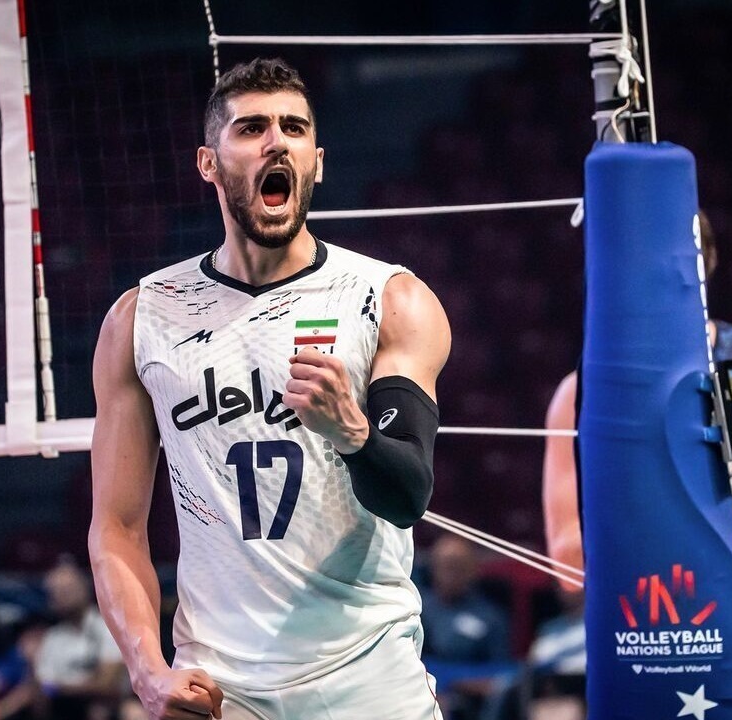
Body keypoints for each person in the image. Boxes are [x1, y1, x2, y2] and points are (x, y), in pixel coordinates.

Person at [88, 57, 451, 720]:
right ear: (208, 163)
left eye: (294, 127)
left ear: (317, 161)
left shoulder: (389, 299)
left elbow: (408, 498)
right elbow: (116, 526)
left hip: (367, 676)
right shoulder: (142, 318)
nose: (276, 142)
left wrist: (353, 432)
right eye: (252, 128)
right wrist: (146, 669)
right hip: (221, 686)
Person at [541, 211, 732, 719]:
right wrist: (689, 538)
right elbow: (568, 567)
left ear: (701, 266)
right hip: (643, 654)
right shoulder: (581, 393)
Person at [417, 534, 513, 720]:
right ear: (433, 568)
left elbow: (502, 673)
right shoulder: (416, 608)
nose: (451, 573)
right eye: (445, 565)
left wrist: (459, 683)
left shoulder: (490, 616)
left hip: (470, 701)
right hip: (420, 690)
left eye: (458, 566)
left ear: (473, 569)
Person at [31, 558, 129, 719]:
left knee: (102, 710)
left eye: (67, 590)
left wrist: (61, 687)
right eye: (55, 592)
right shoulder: (52, 637)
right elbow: (43, 686)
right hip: (63, 709)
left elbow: (108, 684)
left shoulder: (108, 627)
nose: (61, 597)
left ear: (85, 588)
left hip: (106, 708)